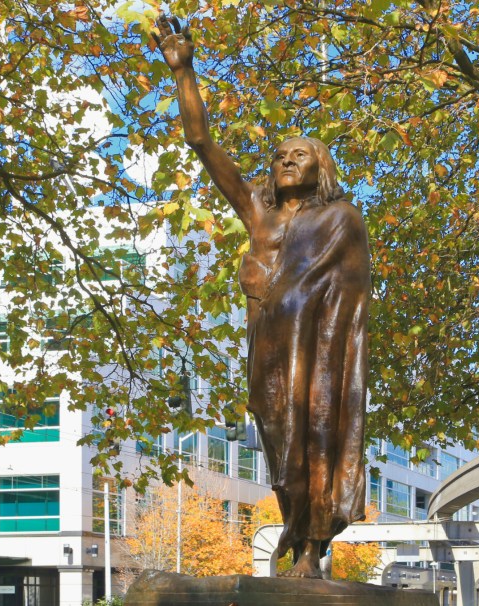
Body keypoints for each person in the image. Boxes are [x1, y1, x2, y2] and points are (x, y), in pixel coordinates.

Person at [154, 15, 371, 579]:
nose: (286, 160)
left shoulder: (342, 218)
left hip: (318, 355)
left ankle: (311, 548)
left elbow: (347, 300)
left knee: (314, 438)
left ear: (321, 166)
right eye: (279, 156)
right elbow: (201, 142)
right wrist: (184, 72)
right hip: (269, 350)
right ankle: (297, 531)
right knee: (280, 445)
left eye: (300, 154)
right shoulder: (259, 212)